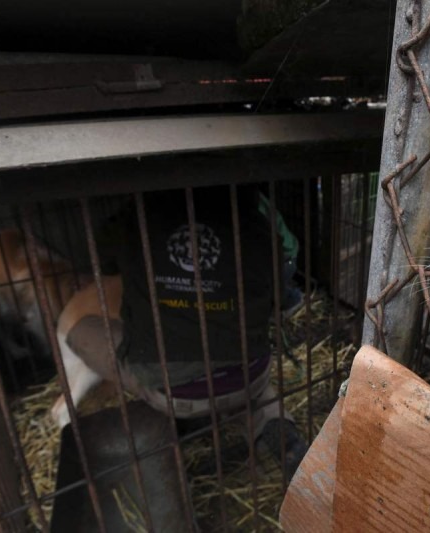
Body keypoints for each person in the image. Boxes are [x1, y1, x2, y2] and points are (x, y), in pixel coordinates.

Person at [77, 184, 307, 478]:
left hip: (175, 389)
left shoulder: (137, 214)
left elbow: (100, 257)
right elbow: (278, 289)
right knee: (240, 373)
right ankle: (275, 424)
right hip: (250, 372)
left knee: (81, 329)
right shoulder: (253, 216)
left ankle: (163, 424)